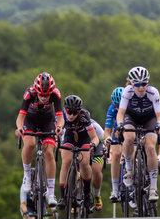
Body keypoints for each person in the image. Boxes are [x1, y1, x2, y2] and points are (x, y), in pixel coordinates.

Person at [15, 72, 64, 211]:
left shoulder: (55, 94)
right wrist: (19, 128)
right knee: (29, 144)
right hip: (29, 120)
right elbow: (20, 117)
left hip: (47, 121)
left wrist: (59, 127)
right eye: (41, 95)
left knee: (49, 153)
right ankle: (27, 176)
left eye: (47, 95)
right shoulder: (29, 94)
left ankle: (51, 192)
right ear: (36, 91)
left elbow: (60, 117)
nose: (44, 98)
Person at [114, 66, 160, 202]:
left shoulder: (153, 92)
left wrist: (159, 124)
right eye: (137, 85)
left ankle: (153, 188)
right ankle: (129, 169)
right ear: (131, 84)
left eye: (144, 84)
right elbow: (121, 113)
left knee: (150, 148)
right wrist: (120, 125)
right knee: (129, 138)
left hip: (149, 118)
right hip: (132, 117)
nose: (141, 88)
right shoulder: (128, 91)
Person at [58, 95, 99, 211]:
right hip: (69, 137)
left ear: (79, 112)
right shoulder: (60, 116)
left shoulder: (84, 117)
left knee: (84, 163)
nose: (71, 115)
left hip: (84, 139)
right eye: (69, 112)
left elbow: (95, 138)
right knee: (66, 162)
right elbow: (55, 134)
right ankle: (63, 196)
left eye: (75, 113)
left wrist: (93, 145)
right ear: (65, 109)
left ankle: (87, 195)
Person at [104, 87, 125, 203]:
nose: (117, 107)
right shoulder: (112, 108)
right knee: (116, 154)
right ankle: (115, 189)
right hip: (117, 131)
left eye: (119, 104)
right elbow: (107, 130)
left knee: (132, 154)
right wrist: (107, 137)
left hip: (130, 129)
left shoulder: (130, 106)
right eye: (115, 104)